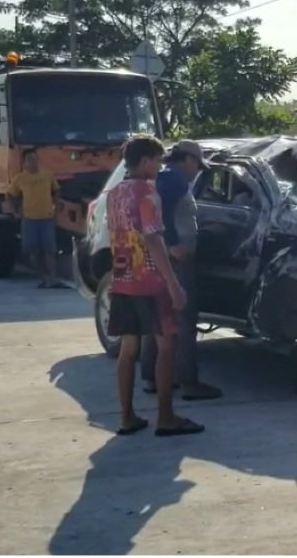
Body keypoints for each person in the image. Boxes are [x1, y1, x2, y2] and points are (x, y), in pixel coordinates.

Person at [106, 135, 203, 438]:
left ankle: (126, 417)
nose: (160, 167)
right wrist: (174, 285)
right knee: (166, 345)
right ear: (146, 161)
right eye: (158, 161)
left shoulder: (114, 193)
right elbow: (153, 238)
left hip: (122, 279)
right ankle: (165, 416)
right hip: (150, 280)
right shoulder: (148, 193)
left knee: (128, 348)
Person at [140, 139, 223, 402]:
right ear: (186, 160)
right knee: (183, 319)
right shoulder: (173, 180)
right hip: (175, 260)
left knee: (159, 317)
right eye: (197, 164)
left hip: (163, 257)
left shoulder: (167, 178)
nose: (198, 170)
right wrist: (173, 243)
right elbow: (160, 213)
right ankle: (188, 382)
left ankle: (151, 377)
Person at [4, 148, 66, 288]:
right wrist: (16, 211)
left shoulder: (47, 175)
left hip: (46, 218)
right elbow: (9, 195)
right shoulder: (20, 178)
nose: (33, 162)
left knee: (49, 250)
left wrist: (56, 206)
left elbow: (56, 190)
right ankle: (43, 278)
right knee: (34, 252)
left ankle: (53, 278)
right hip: (29, 220)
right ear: (24, 162)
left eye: (35, 159)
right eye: (29, 160)